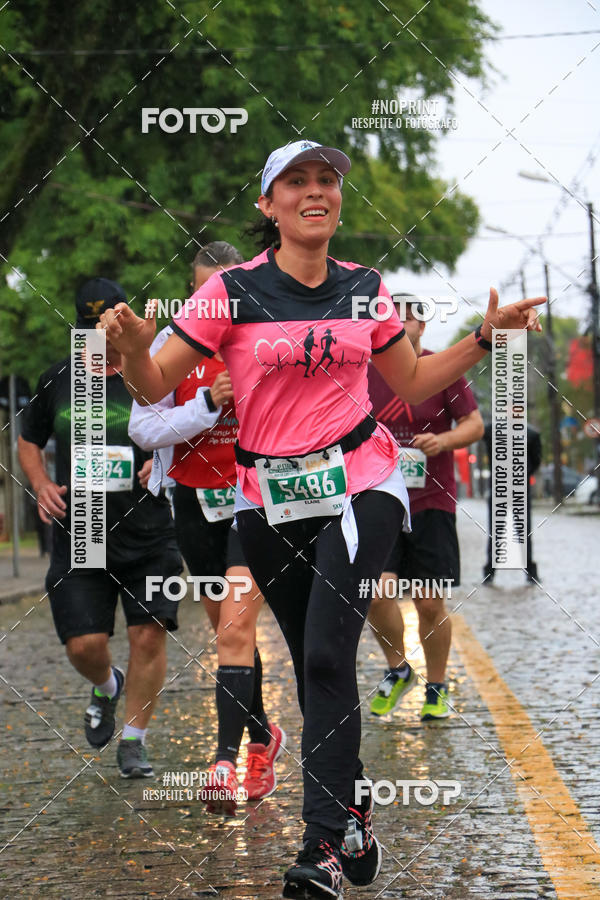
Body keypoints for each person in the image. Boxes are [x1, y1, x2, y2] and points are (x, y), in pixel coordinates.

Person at [99, 140, 544, 899]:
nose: (315, 191)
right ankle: (355, 802)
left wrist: (480, 340)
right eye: (295, 181)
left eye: (326, 181)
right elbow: (154, 388)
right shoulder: (228, 293)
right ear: (268, 205)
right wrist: (138, 353)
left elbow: (407, 377)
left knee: (332, 656)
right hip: (265, 497)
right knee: (314, 666)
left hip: (359, 481)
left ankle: (322, 848)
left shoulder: (366, 287)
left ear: (338, 200)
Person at [128, 243, 285, 813]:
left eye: (224, 291)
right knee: (229, 636)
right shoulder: (175, 349)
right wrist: (206, 406)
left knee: (236, 631)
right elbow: (144, 428)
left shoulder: (270, 339)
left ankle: (226, 762)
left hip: (256, 500)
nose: (215, 304)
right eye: (202, 293)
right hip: (194, 505)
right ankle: (265, 733)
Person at [18, 278, 183, 779]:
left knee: (148, 636)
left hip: (149, 529)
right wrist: (41, 481)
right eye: (94, 329)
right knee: (83, 645)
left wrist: (166, 463)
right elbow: (29, 437)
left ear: (127, 321)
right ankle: (108, 686)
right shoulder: (59, 378)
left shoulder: (155, 374)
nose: (104, 336)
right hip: (82, 528)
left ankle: (134, 740)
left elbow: (193, 425)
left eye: (112, 325)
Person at [367, 296, 484, 721]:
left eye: (408, 318)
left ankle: (437, 683)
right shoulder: (367, 369)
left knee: (429, 602)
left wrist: (444, 441)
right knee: (376, 594)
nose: (399, 324)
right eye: (390, 318)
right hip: (377, 497)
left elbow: (474, 425)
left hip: (431, 499)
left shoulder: (442, 369)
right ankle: (398, 670)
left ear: (421, 326)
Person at [483, 420, 542, 584]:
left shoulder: (531, 434)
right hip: (503, 488)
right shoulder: (491, 431)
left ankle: (527, 570)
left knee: (521, 532)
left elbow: (535, 460)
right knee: (497, 531)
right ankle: (491, 571)